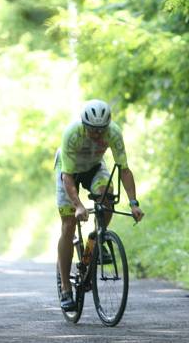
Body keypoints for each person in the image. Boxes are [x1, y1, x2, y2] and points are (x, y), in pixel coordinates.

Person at [55, 99, 144, 312]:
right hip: (68, 171)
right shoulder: (72, 134)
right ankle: (66, 288)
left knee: (107, 194)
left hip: (95, 167)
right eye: (92, 130)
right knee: (68, 225)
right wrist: (78, 205)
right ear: (84, 124)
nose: (97, 135)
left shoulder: (113, 133)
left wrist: (133, 203)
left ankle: (97, 237)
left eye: (101, 130)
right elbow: (67, 177)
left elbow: (124, 170)